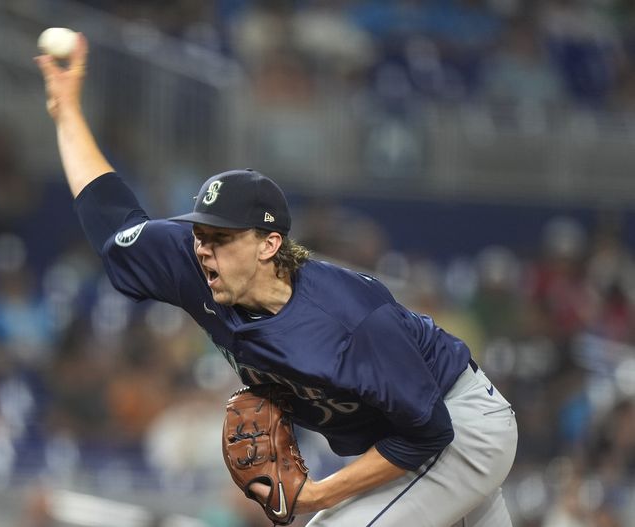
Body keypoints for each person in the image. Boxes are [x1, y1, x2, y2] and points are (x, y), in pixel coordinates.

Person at [36, 35, 518, 527]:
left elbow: (428, 433)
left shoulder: (352, 316)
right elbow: (111, 222)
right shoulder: (195, 264)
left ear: (269, 245)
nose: (203, 246)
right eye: (200, 232)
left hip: (458, 426)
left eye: (221, 237)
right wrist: (67, 111)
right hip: (414, 436)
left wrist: (318, 495)